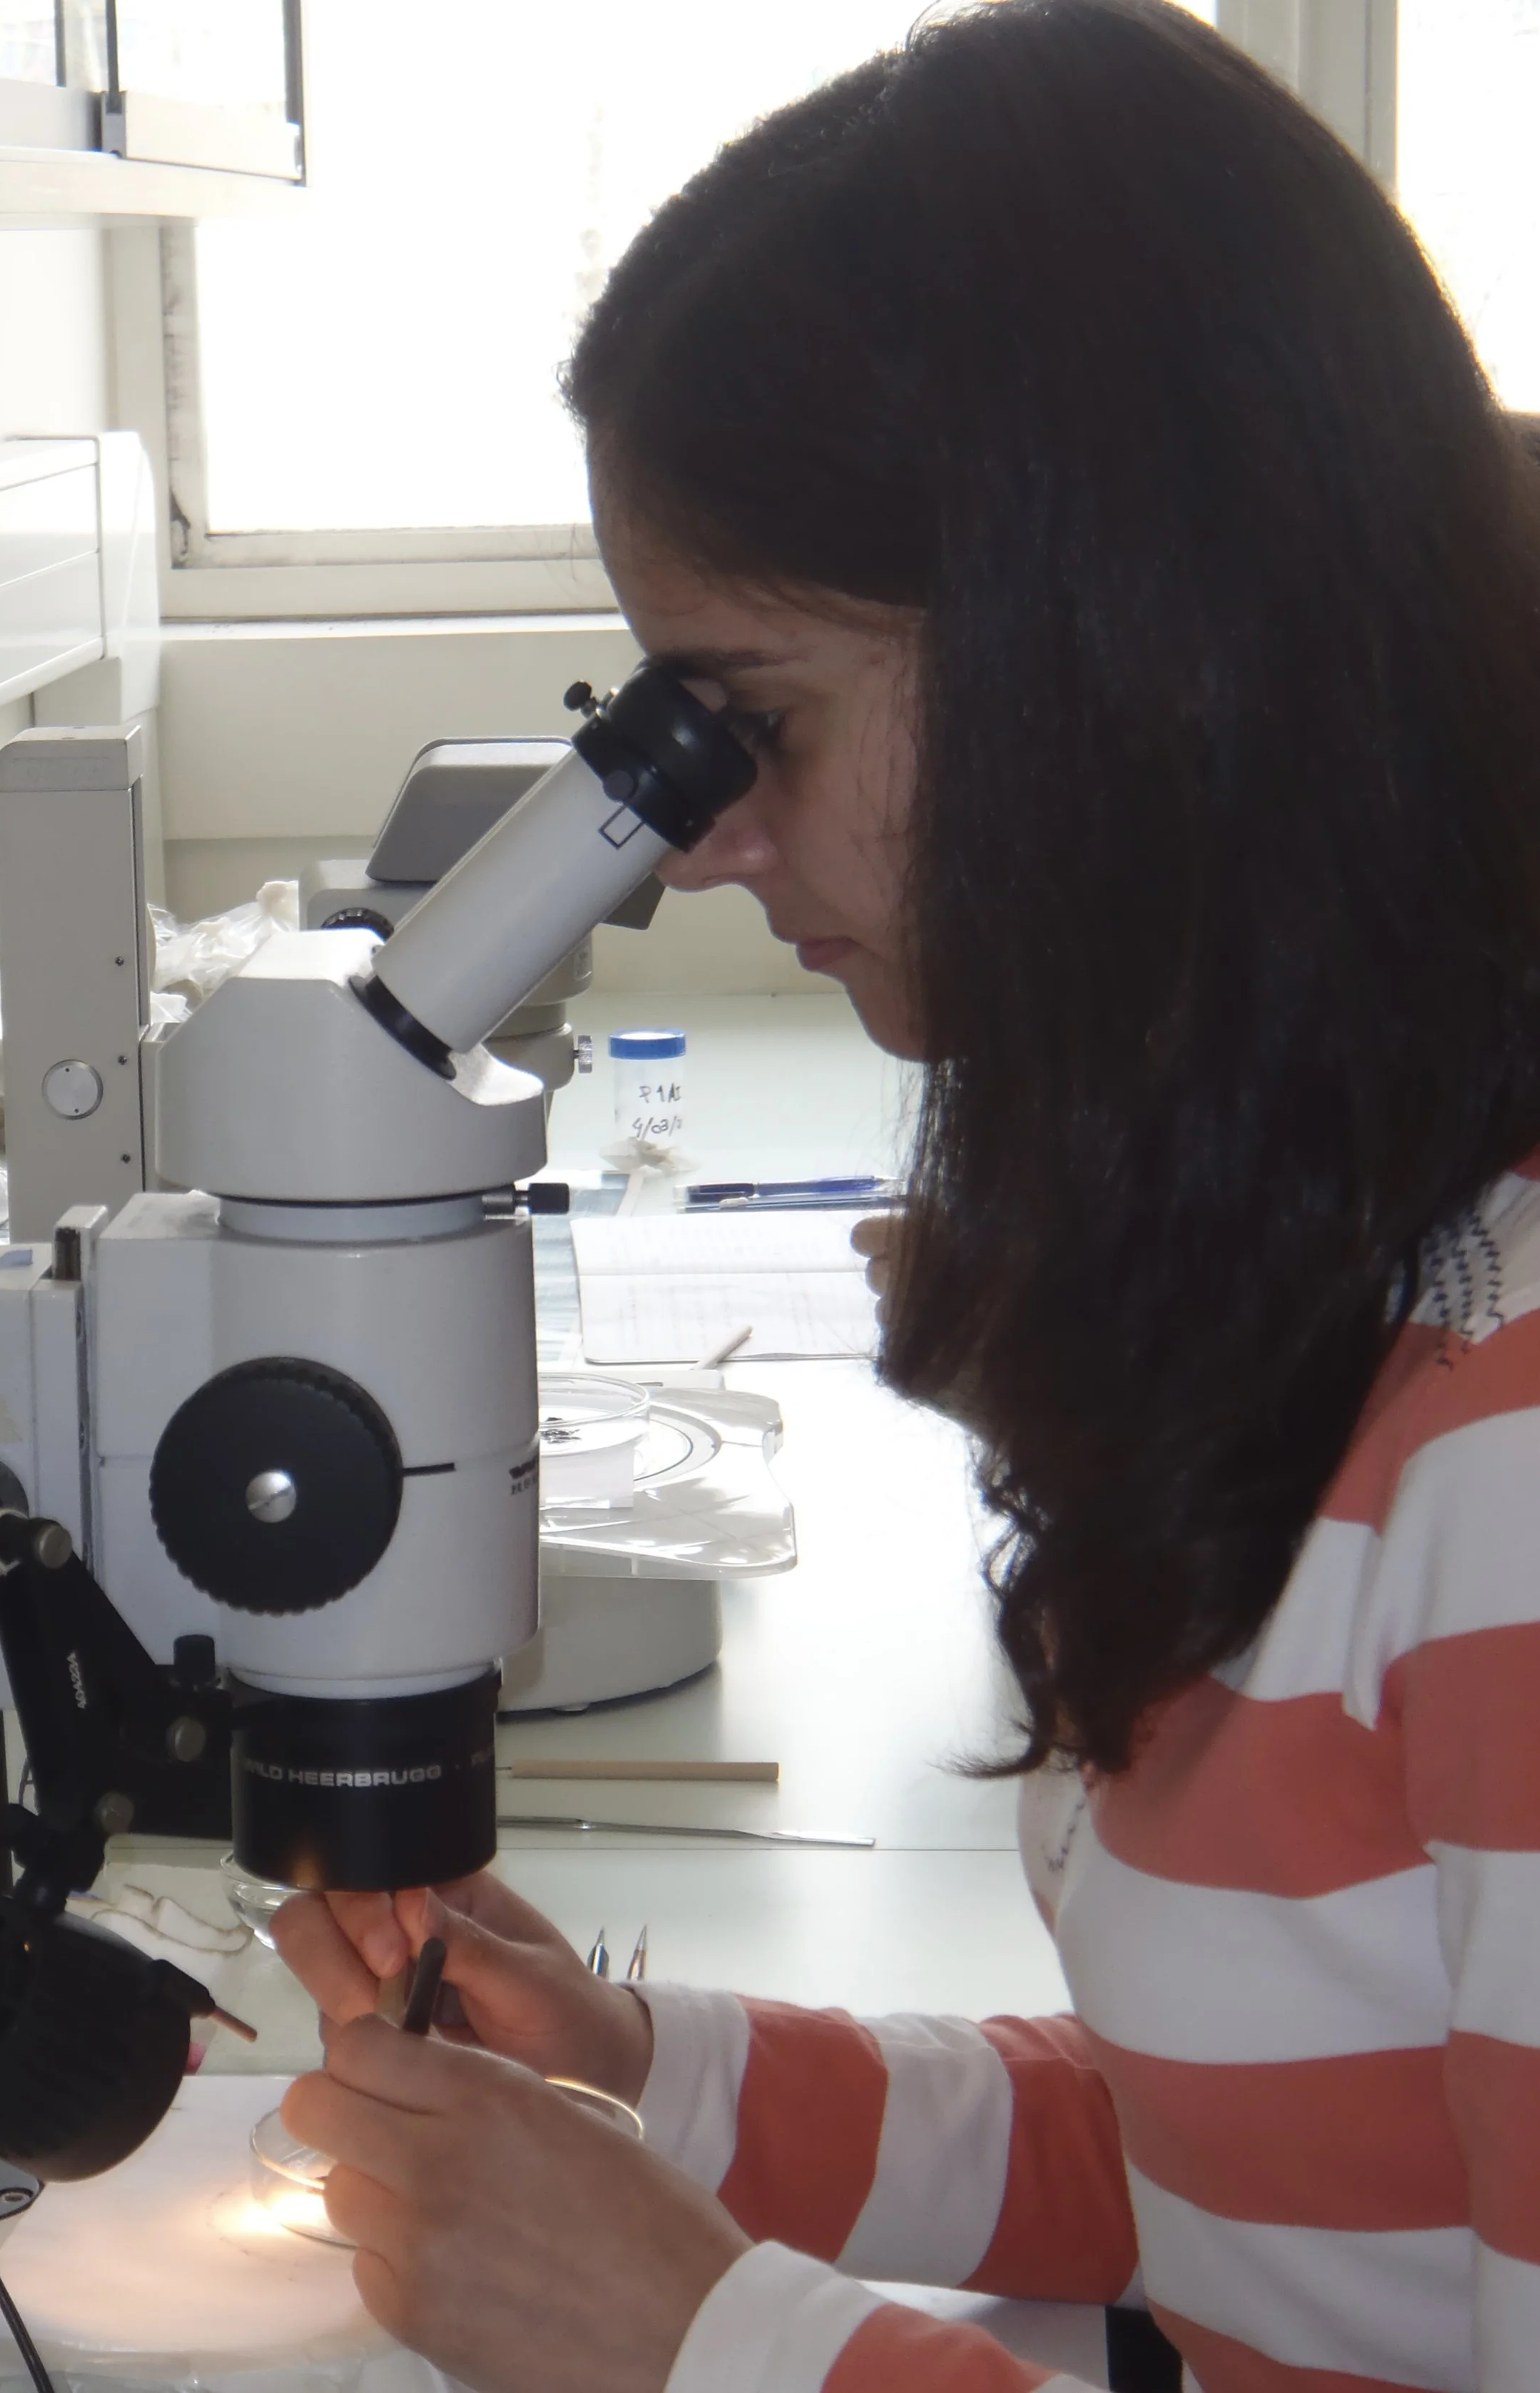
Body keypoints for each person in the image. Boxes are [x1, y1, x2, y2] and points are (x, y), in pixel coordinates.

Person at [271, 4, 1540, 2387]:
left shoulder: (1513, 1442)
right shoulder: (1353, 1275)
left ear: (1125, 657)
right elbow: (1271, 2156)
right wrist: (663, 2084)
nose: (703, 837)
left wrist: (697, 2340)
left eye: (755, 723)